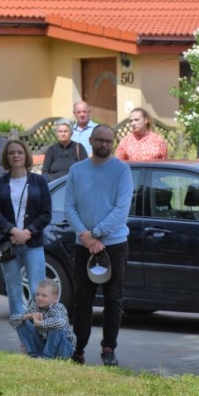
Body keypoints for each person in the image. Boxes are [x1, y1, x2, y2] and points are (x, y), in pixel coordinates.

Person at [65, 125, 133, 367]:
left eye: (108, 141)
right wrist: (86, 237)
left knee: (113, 300)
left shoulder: (122, 171)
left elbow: (121, 210)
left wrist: (96, 234)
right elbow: (69, 207)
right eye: (100, 140)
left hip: (114, 245)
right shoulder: (77, 170)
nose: (104, 145)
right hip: (83, 246)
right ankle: (78, 348)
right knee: (82, 299)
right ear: (91, 141)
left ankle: (108, 348)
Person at [0, 139, 52, 318]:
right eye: (11, 153)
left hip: (32, 243)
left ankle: (38, 331)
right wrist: (14, 231)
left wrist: (27, 232)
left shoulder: (39, 181)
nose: (16, 155)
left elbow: (46, 213)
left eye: (19, 152)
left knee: (37, 292)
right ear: (6, 157)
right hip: (8, 244)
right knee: (14, 294)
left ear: (26, 155)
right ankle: (24, 338)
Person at [8, 278, 75, 359]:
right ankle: (33, 354)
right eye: (38, 294)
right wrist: (29, 316)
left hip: (63, 350)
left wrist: (40, 323)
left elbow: (60, 322)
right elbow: (12, 321)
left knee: (56, 326)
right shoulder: (35, 306)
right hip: (44, 346)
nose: (39, 298)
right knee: (21, 322)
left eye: (44, 295)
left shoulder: (58, 307)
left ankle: (47, 358)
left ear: (54, 298)